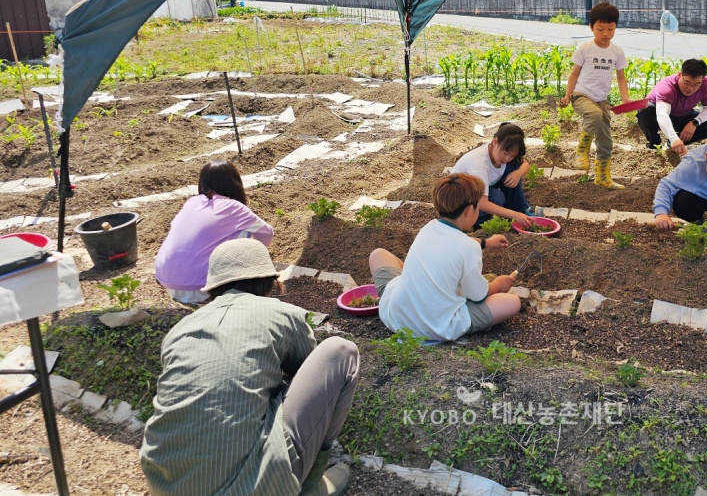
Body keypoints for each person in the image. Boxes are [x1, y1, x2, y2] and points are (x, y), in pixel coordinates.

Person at [140, 239, 360, 496]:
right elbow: (309, 375)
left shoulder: (180, 329)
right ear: (269, 284)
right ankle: (311, 486)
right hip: (251, 488)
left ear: (213, 289)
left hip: (163, 484)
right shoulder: (283, 313)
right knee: (340, 352)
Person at [370, 173, 521, 342]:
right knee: (512, 302)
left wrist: (486, 242)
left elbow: (454, 242)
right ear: (469, 210)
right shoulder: (468, 248)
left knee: (378, 255)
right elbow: (479, 296)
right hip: (435, 325)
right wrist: (498, 284)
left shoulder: (429, 228)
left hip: (397, 317)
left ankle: (414, 297)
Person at [154, 160, 273, 304]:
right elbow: (267, 233)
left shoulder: (192, 202)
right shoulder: (233, 207)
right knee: (244, 236)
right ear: (234, 183)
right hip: (201, 287)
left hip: (167, 279)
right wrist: (255, 259)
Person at [558, 1, 631, 189]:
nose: (605, 34)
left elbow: (621, 78)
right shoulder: (585, 48)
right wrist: (567, 96)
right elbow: (574, 74)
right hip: (581, 95)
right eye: (600, 29)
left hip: (602, 101)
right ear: (591, 27)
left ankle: (602, 177)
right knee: (594, 114)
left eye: (610, 29)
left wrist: (625, 99)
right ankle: (581, 151)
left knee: (606, 140)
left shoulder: (617, 52)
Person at [451, 122, 533, 228]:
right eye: (505, 153)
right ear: (495, 142)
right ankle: (476, 225)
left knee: (512, 169)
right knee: (497, 198)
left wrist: (518, 173)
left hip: (475, 192)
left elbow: (525, 164)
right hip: (459, 203)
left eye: (512, 155)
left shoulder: (501, 154)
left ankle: (522, 210)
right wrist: (515, 215)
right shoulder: (479, 164)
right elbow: (482, 203)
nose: (507, 158)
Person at [637, 58, 707, 152]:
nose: (690, 88)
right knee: (645, 113)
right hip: (656, 115)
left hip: (682, 115)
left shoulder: (705, 84)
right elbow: (662, 114)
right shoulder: (666, 87)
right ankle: (654, 145)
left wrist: (695, 122)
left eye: (697, 84)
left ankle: (675, 144)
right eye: (687, 82)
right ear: (680, 75)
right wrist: (673, 137)